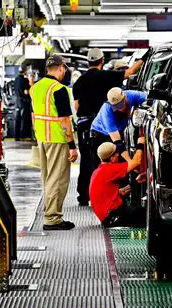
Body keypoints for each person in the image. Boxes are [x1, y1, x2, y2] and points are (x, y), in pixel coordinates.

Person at [72, 48, 148, 206]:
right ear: (102, 61)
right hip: (99, 130)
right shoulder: (107, 79)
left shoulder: (79, 81)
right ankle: (103, 196)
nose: (121, 110)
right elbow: (130, 72)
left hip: (83, 124)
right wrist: (143, 58)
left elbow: (77, 107)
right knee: (108, 162)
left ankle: (84, 196)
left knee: (87, 162)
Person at [29, 55, 78, 230]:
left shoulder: (35, 88)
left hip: (42, 139)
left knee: (48, 180)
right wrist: (72, 146)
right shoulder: (59, 89)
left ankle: (50, 213)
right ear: (60, 68)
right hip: (57, 140)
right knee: (58, 180)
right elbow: (65, 120)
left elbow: (34, 116)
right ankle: (52, 219)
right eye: (64, 69)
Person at [89, 138, 145, 227]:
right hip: (114, 217)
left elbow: (119, 192)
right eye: (116, 153)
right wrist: (140, 144)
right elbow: (136, 162)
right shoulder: (109, 169)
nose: (118, 155)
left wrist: (136, 182)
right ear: (112, 158)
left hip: (109, 217)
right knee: (149, 214)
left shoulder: (98, 171)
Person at [90, 87, 147, 171]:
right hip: (101, 134)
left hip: (119, 130)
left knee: (121, 168)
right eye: (116, 106)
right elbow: (118, 143)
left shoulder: (133, 95)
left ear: (124, 97)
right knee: (104, 169)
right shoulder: (107, 111)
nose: (120, 108)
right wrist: (131, 163)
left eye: (121, 104)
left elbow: (151, 100)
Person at [14, 66, 33, 140]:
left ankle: (16, 136)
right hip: (24, 102)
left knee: (17, 118)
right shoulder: (25, 80)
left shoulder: (16, 79)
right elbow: (26, 91)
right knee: (25, 119)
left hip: (17, 101)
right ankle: (24, 136)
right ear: (25, 71)